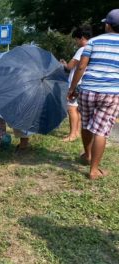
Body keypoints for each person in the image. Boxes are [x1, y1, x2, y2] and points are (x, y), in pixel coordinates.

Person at [68, 9, 119, 180]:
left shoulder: (93, 42)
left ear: (108, 25)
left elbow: (81, 67)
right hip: (111, 93)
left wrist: (72, 88)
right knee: (101, 131)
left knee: (87, 124)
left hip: (88, 89)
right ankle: (93, 170)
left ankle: (87, 155)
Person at [60, 26, 92, 142]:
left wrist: (63, 64)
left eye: (76, 39)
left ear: (82, 38)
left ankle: (72, 134)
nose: (76, 42)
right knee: (77, 109)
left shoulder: (82, 49)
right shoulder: (93, 47)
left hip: (76, 83)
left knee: (71, 109)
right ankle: (77, 132)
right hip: (85, 83)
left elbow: (70, 66)